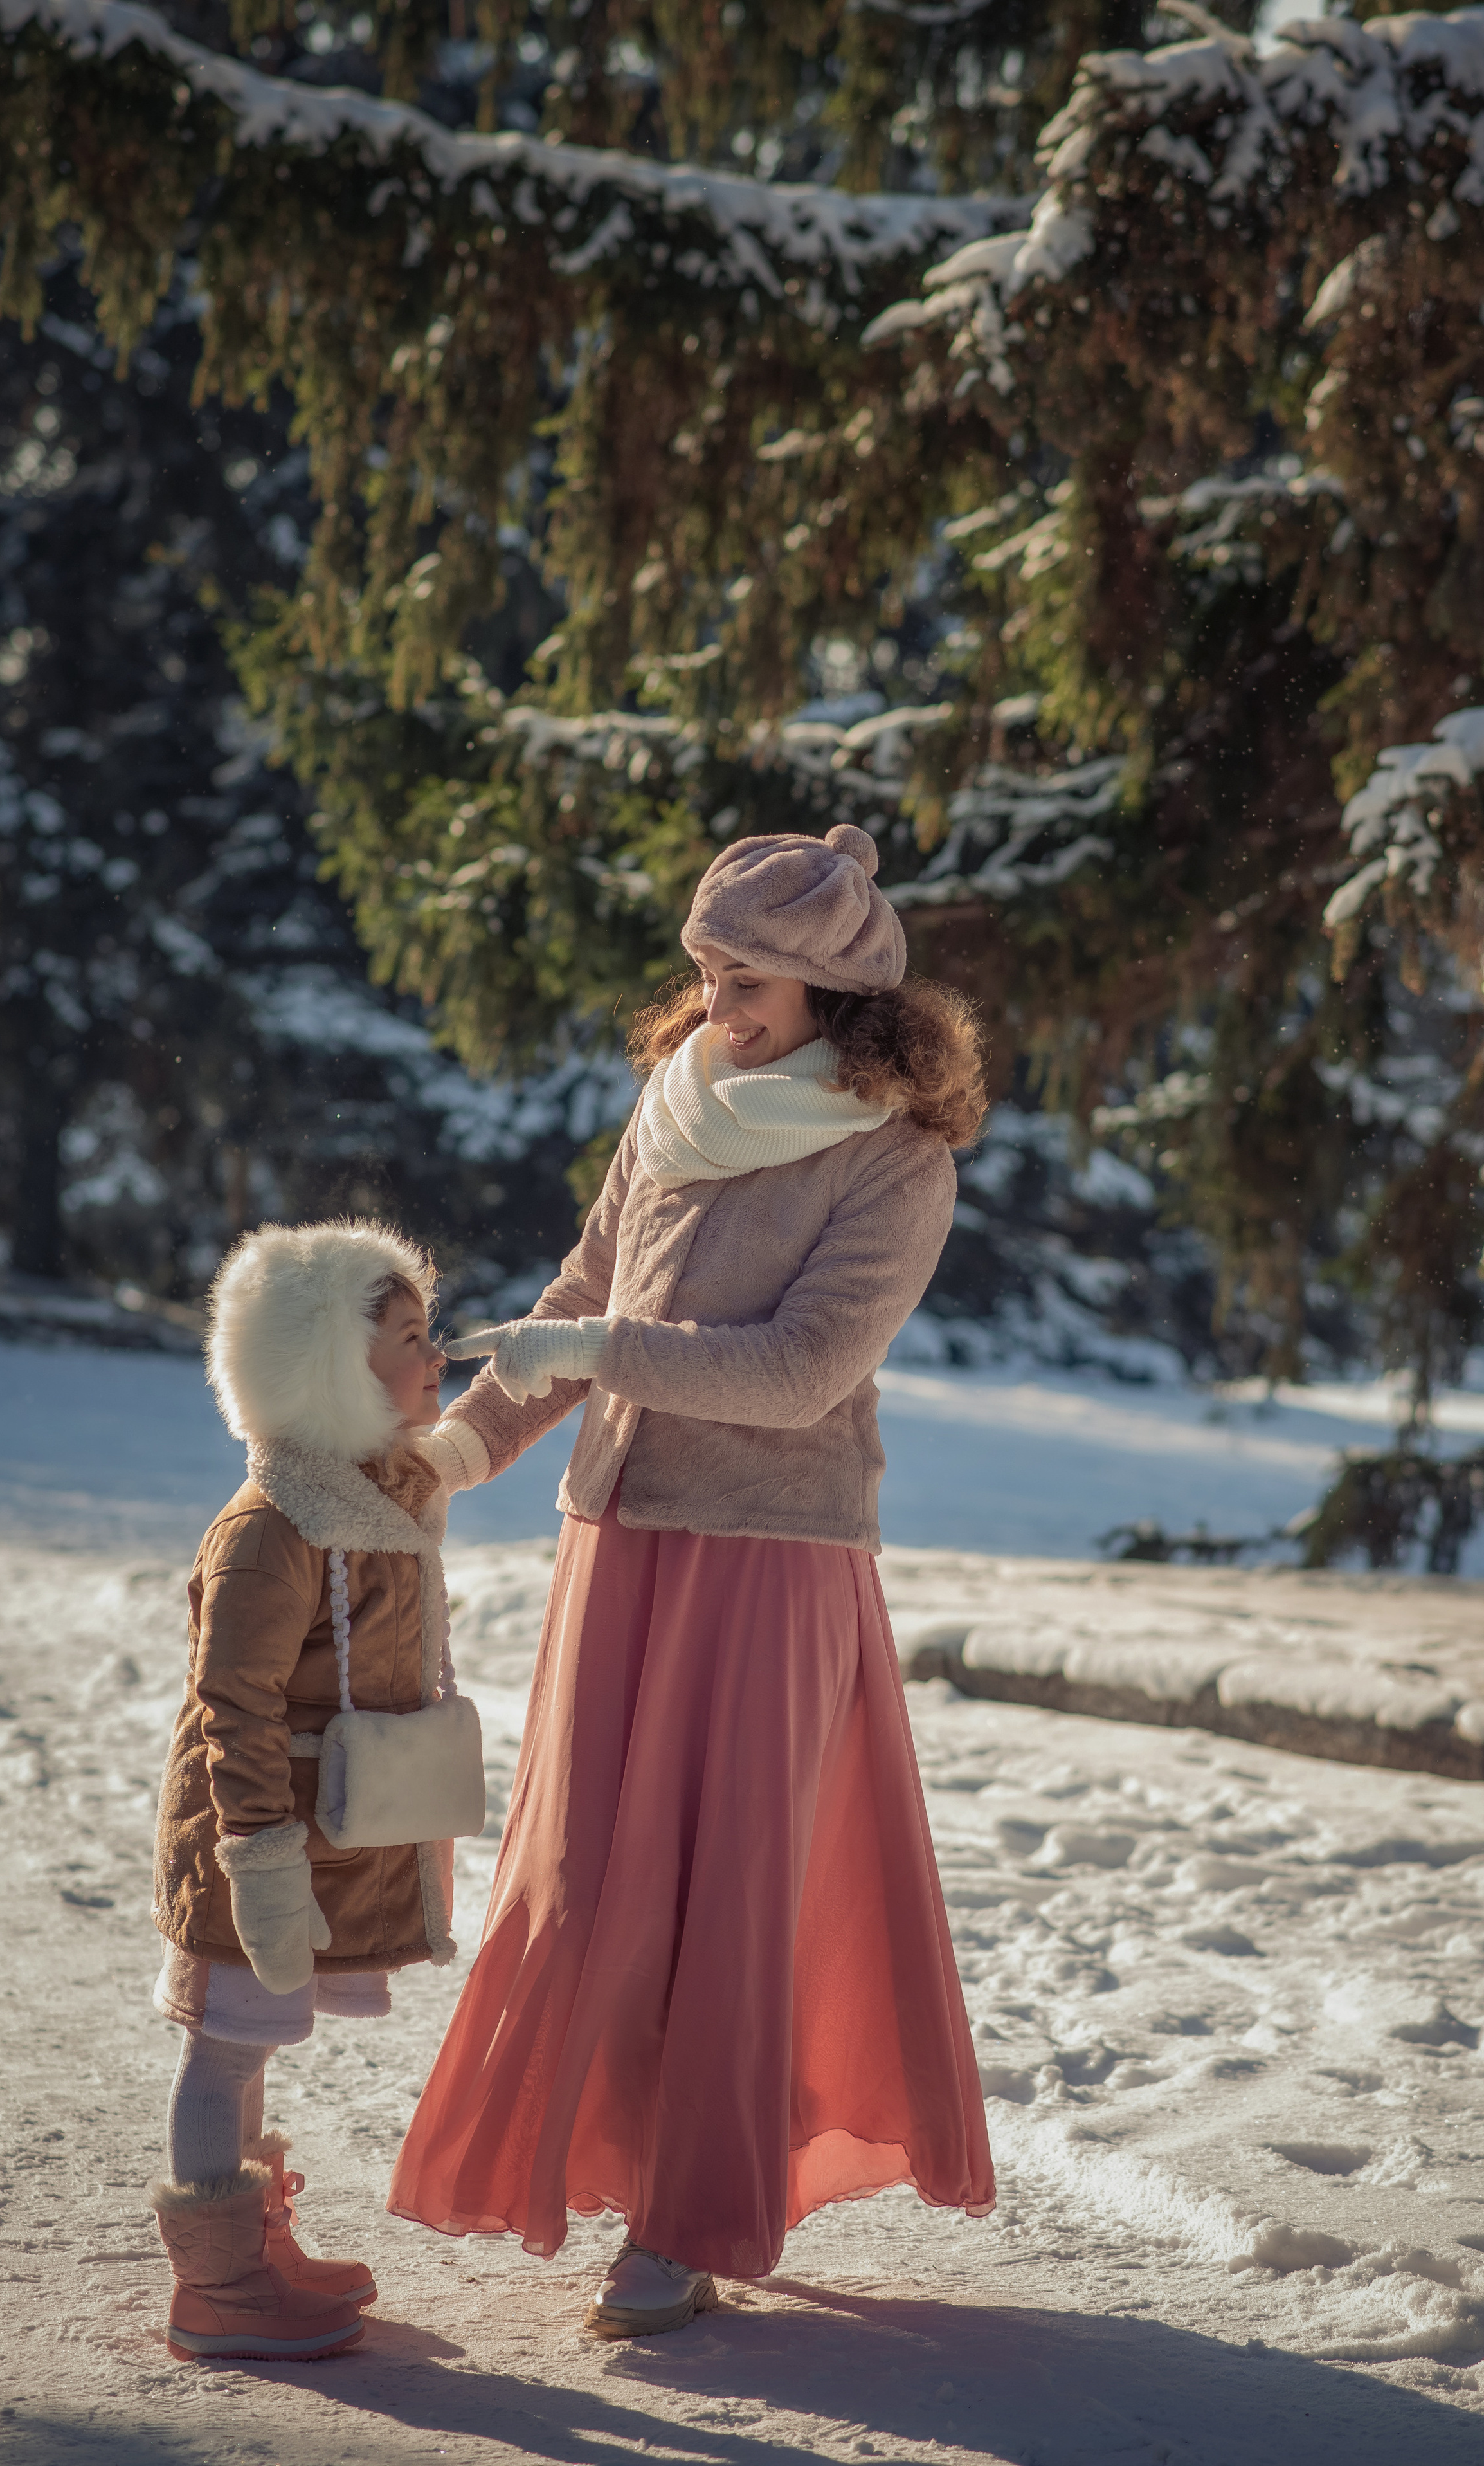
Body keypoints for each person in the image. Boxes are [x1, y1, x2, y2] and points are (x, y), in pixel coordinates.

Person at [390, 821, 997, 2337]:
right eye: (707, 974)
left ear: (832, 995)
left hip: (768, 1559)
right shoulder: (674, 1101)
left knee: (728, 1892)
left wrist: (597, 1353)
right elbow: (582, 1290)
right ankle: (598, 2156)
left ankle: (690, 2219)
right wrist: (465, 1448)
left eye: (748, 983)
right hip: (618, 1538)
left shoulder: (894, 1154)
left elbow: (799, 1373)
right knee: (582, 1873)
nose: (717, 1007)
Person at [148, 1219, 456, 2363]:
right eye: (412, 1338)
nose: (437, 1356)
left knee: (253, 2042)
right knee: (225, 2044)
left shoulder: (365, 1497)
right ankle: (216, 2285)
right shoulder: (271, 1528)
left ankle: (250, 2246)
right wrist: (261, 1859)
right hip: (252, 1838)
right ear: (331, 1370)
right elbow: (232, 1704)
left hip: (299, 1836)